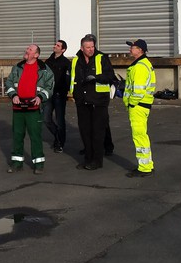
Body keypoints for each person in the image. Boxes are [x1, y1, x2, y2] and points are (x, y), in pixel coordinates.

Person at [5, 44, 54, 174]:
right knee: (17, 135)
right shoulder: (17, 67)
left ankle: (38, 165)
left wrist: (40, 97)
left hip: (34, 108)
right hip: (18, 108)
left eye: (30, 49)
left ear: (36, 55)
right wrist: (13, 95)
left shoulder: (45, 70)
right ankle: (16, 163)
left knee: (35, 136)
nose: (26, 51)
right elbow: (9, 83)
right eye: (27, 49)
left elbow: (50, 87)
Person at [70, 34, 115, 170]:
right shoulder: (76, 60)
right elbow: (72, 78)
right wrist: (75, 95)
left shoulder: (102, 58)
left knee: (97, 132)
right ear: (82, 48)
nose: (90, 49)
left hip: (98, 101)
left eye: (92, 47)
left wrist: (96, 77)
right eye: (88, 47)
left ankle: (97, 161)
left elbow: (110, 76)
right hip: (82, 101)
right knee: (85, 132)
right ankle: (87, 159)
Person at [123, 38, 156, 177]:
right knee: (142, 136)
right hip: (142, 105)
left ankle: (144, 168)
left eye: (133, 47)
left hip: (138, 106)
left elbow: (138, 90)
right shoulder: (142, 64)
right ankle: (147, 164)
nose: (131, 49)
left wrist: (131, 103)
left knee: (139, 137)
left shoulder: (140, 66)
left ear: (140, 50)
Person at [44, 39, 71, 152]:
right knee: (46, 118)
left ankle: (60, 142)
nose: (55, 46)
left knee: (60, 120)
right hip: (49, 94)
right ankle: (57, 135)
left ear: (63, 49)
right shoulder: (48, 61)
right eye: (55, 44)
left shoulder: (66, 63)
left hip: (60, 95)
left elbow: (67, 79)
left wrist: (63, 92)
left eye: (58, 45)